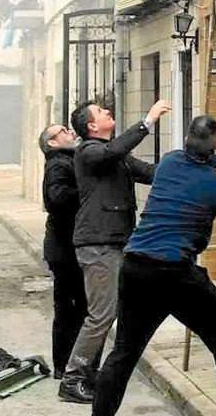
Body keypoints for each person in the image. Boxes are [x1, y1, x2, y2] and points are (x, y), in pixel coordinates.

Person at [93, 115, 216, 416]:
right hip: (175, 274)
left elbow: (197, 165)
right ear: (215, 145)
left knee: (124, 352)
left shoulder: (169, 162)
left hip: (135, 267)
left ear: (186, 140)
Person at [58, 98, 171, 404]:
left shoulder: (114, 155)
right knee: (101, 315)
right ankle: (73, 378)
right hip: (98, 246)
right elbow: (112, 152)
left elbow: (152, 172)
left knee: (112, 312)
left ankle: (91, 374)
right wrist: (147, 121)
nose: (108, 111)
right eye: (101, 111)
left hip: (115, 243)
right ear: (91, 126)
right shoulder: (88, 151)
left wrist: (195, 161)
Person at [39, 123, 87, 379]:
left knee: (76, 307)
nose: (71, 133)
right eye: (64, 131)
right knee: (70, 308)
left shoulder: (68, 159)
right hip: (65, 249)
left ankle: (68, 364)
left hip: (67, 247)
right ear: (53, 142)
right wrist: (87, 190)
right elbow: (57, 198)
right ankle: (64, 365)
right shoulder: (58, 163)